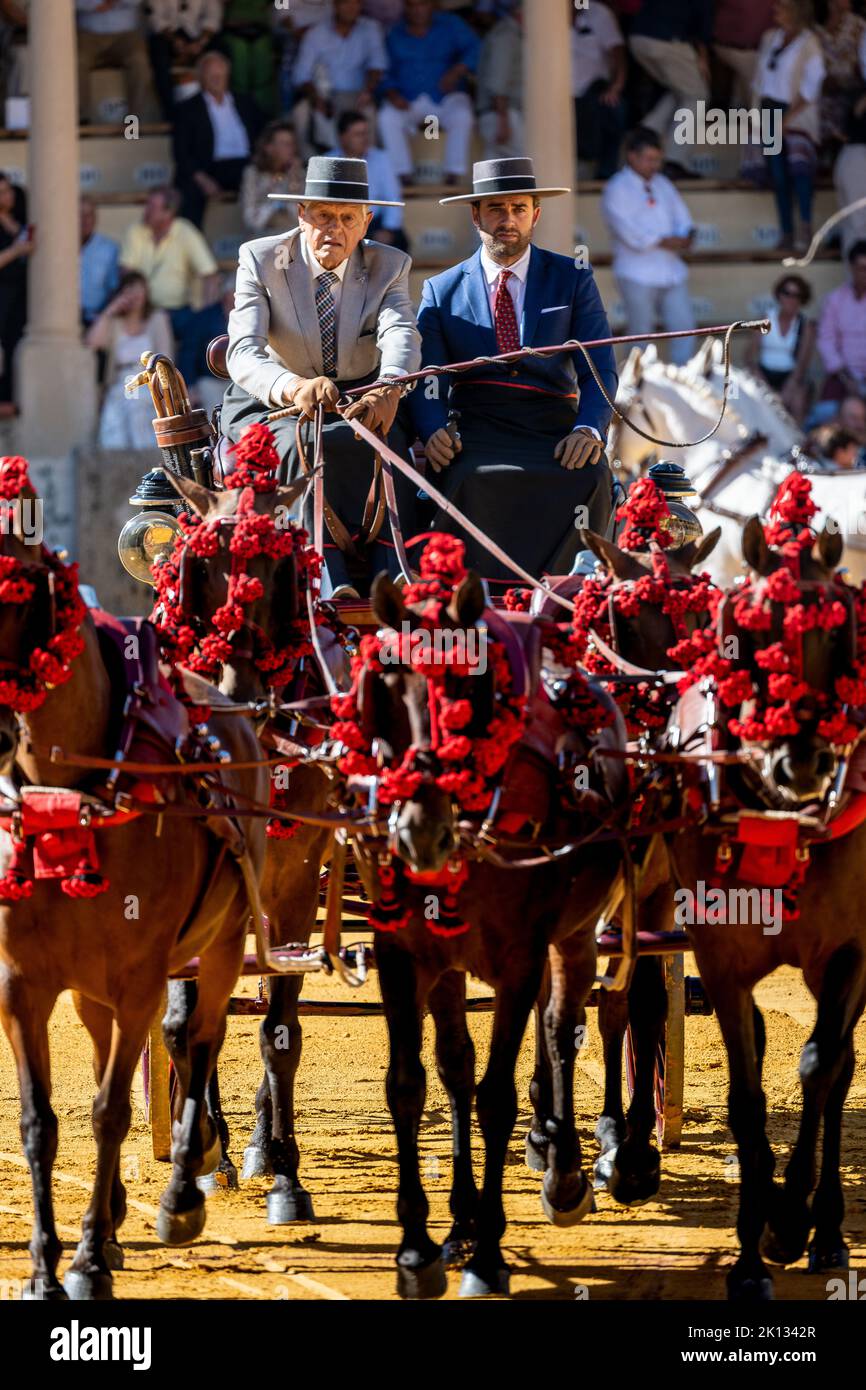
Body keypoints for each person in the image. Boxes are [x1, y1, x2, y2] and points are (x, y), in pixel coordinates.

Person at [410, 157, 617, 592]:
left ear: (535, 214)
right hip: (478, 427)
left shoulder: (573, 277)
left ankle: (569, 597)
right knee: (467, 477)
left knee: (592, 475)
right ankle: (472, 600)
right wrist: (431, 430)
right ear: (475, 214)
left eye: (519, 209)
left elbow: (598, 367)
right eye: (496, 209)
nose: (509, 220)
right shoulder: (441, 289)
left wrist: (589, 429)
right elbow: (429, 376)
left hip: (554, 427)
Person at [221, 156, 421, 599]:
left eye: (348, 218)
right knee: (302, 444)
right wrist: (293, 386)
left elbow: (401, 332)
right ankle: (328, 582)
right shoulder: (259, 258)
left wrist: (390, 386)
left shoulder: (391, 265)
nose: (335, 228)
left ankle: (394, 582)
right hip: (274, 398)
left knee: (390, 445)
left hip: (360, 395)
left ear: (366, 222)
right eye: (323, 216)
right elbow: (243, 352)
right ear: (301, 214)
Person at [601, 128, 696, 366]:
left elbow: (684, 220)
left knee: (685, 329)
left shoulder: (663, 184)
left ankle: (684, 388)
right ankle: (633, 393)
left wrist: (687, 236)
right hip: (636, 273)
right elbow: (631, 236)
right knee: (641, 336)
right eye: (649, 159)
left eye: (657, 159)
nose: (655, 165)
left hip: (671, 271)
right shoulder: (616, 188)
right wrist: (668, 240)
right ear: (632, 156)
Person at [120, 186, 223, 394]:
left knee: (200, 330)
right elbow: (125, 274)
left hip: (179, 311)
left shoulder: (184, 231)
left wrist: (205, 308)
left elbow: (210, 275)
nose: (146, 211)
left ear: (169, 212)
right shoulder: (136, 230)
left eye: (152, 207)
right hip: (142, 309)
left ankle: (184, 392)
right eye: (147, 205)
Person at [747, 0, 825, 253]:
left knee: (799, 171)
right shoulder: (771, 37)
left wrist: (787, 120)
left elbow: (813, 83)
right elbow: (759, 80)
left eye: (781, 7)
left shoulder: (808, 42)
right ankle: (787, 232)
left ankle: (804, 226)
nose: (775, 11)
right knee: (778, 175)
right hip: (769, 111)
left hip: (795, 113)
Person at [378, 0, 481, 187]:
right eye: (412, 5)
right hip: (409, 100)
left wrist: (457, 70)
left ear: (432, 6)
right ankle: (403, 177)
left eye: (422, 4)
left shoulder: (450, 24)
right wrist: (392, 93)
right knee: (387, 116)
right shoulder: (395, 33)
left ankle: (453, 175)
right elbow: (384, 69)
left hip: (444, 97)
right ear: (405, 8)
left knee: (462, 114)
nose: (417, 10)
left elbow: (476, 47)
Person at [173, 50, 264, 227]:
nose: (217, 78)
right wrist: (203, 179)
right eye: (211, 75)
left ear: (227, 75)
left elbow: (264, 135)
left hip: (245, 166)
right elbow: (180, 153)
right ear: (201, 77)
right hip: (207, 168)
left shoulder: (245, 102)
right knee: (189, 189)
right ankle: (190, 245)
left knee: (269, 182)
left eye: (220, 74)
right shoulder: (187, 109)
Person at [86, 270, 174, 449]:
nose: (135, 295)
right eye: (129, 290)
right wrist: (110, 311)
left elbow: (166, 358)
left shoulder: (157, 318)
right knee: (112, 419)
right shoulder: (116, 322)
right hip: (120, 381)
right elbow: (92, 342)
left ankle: (145, 463)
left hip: (148, 381)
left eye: (139, 289)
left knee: (136, 410)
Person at [292, 0, 387, 156]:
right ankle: (309, 168)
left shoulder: (371, 29)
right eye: (346, 2)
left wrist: (368, 91)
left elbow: (377, 66)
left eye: (356, 2)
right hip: (325, 95)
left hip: (357, 95)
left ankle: (368, 169)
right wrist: (317, 99)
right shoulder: (316, 33)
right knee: (301, 114)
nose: (351, 7)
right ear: (335, 5)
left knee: (370, 113)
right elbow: (300, 76)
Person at [627, 0, 713, 173]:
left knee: (682, 89)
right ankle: (675, 160)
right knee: (697, 96)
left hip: (638, 39)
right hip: (666, 41)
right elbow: (703, 30)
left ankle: (648, 130)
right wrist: (703, 58)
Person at [327, 110, 407, 250]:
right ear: (343, 137)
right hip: (339, 224)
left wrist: (388, 229)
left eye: (366, 133)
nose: (365, 139)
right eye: (358, 134)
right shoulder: (327, 161)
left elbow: (393, 198)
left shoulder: (381, 158)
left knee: (400, 242)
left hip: (374, 223)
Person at [744, 272, 815, 420]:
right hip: (763, 374)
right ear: (779, 295)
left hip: (790, 377)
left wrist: (790, 386)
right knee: (752, 399)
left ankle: (797, 442)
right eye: (787, 293)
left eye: (796, 295)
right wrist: (763, 385)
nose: (791, 299)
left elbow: (803, 363)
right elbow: (749, 357)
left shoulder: (805, 325)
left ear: (802, 299)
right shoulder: (765, 319)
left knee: (797, 401)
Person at [76, 0, 156, 124]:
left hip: (126, 34)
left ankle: (133, 122)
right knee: (78, 62)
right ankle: (82, 120)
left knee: (139, 62)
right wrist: (94, 3)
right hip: (88, 34)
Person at [572, 0, 627, 180]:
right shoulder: (544, 15)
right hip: (559, 96)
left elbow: (617, 50)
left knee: (615, 111)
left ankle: (606, 173)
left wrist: (616, 86)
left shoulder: (597, 12)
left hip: (594, 90)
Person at [147, 0, 223, 120]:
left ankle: (220, 108)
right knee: (158, 52)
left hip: (198, 36)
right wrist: (175, 41)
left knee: (222, 49)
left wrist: (201, 42)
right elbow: (155, 18)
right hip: (169, 37)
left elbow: (213, 16)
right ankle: (170, 113)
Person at [816, 239, 866, 407]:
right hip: (843, 374)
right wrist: (846, 377)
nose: (865, 273)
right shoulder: (835, 299)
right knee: (825, 414)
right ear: (851, 268)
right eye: (861, 268)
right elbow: (826, 340)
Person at [476, 1, 525, 160]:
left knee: (496, 174)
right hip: (502, 114)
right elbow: (498, 82)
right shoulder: (506, 36)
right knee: (531, 165)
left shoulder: (514, 34)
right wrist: (503, 121)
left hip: (502, 114)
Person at [815, 0, 866, 151]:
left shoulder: (859, 25)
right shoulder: (816, 26)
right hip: (818, 86)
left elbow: (861, 65)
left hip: (849, 87)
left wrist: (845, 78)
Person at [0, 172, 31, 417]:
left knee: (15, 345)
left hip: (22, 294)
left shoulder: (22, 217)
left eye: (8, 190)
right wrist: (16, 250)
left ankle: (12, 398)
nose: (6, 196)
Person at [240, 120, 305, 235]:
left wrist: (294, 181)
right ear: (268, 147)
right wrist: (274, 207)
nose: (291, 149)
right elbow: (250, 219)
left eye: (292, 144)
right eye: (285, 144)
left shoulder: (299, 173)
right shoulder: (253, 175)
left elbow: (304, 217)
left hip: (293, 236)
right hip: (262, 237)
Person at [714, 0, 776, 106]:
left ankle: (738, 109)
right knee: (757, 75)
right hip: (730, 45)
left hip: (762, 49)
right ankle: (757, 118)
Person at [79, 196, 120, 330]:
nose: (84, 220)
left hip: (96, 318)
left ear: (95, 219)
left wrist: (103, 316)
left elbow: (114, 288)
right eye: (79, 215)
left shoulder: (109, 248)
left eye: (89, 215)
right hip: (62, 319)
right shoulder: (58, 247)